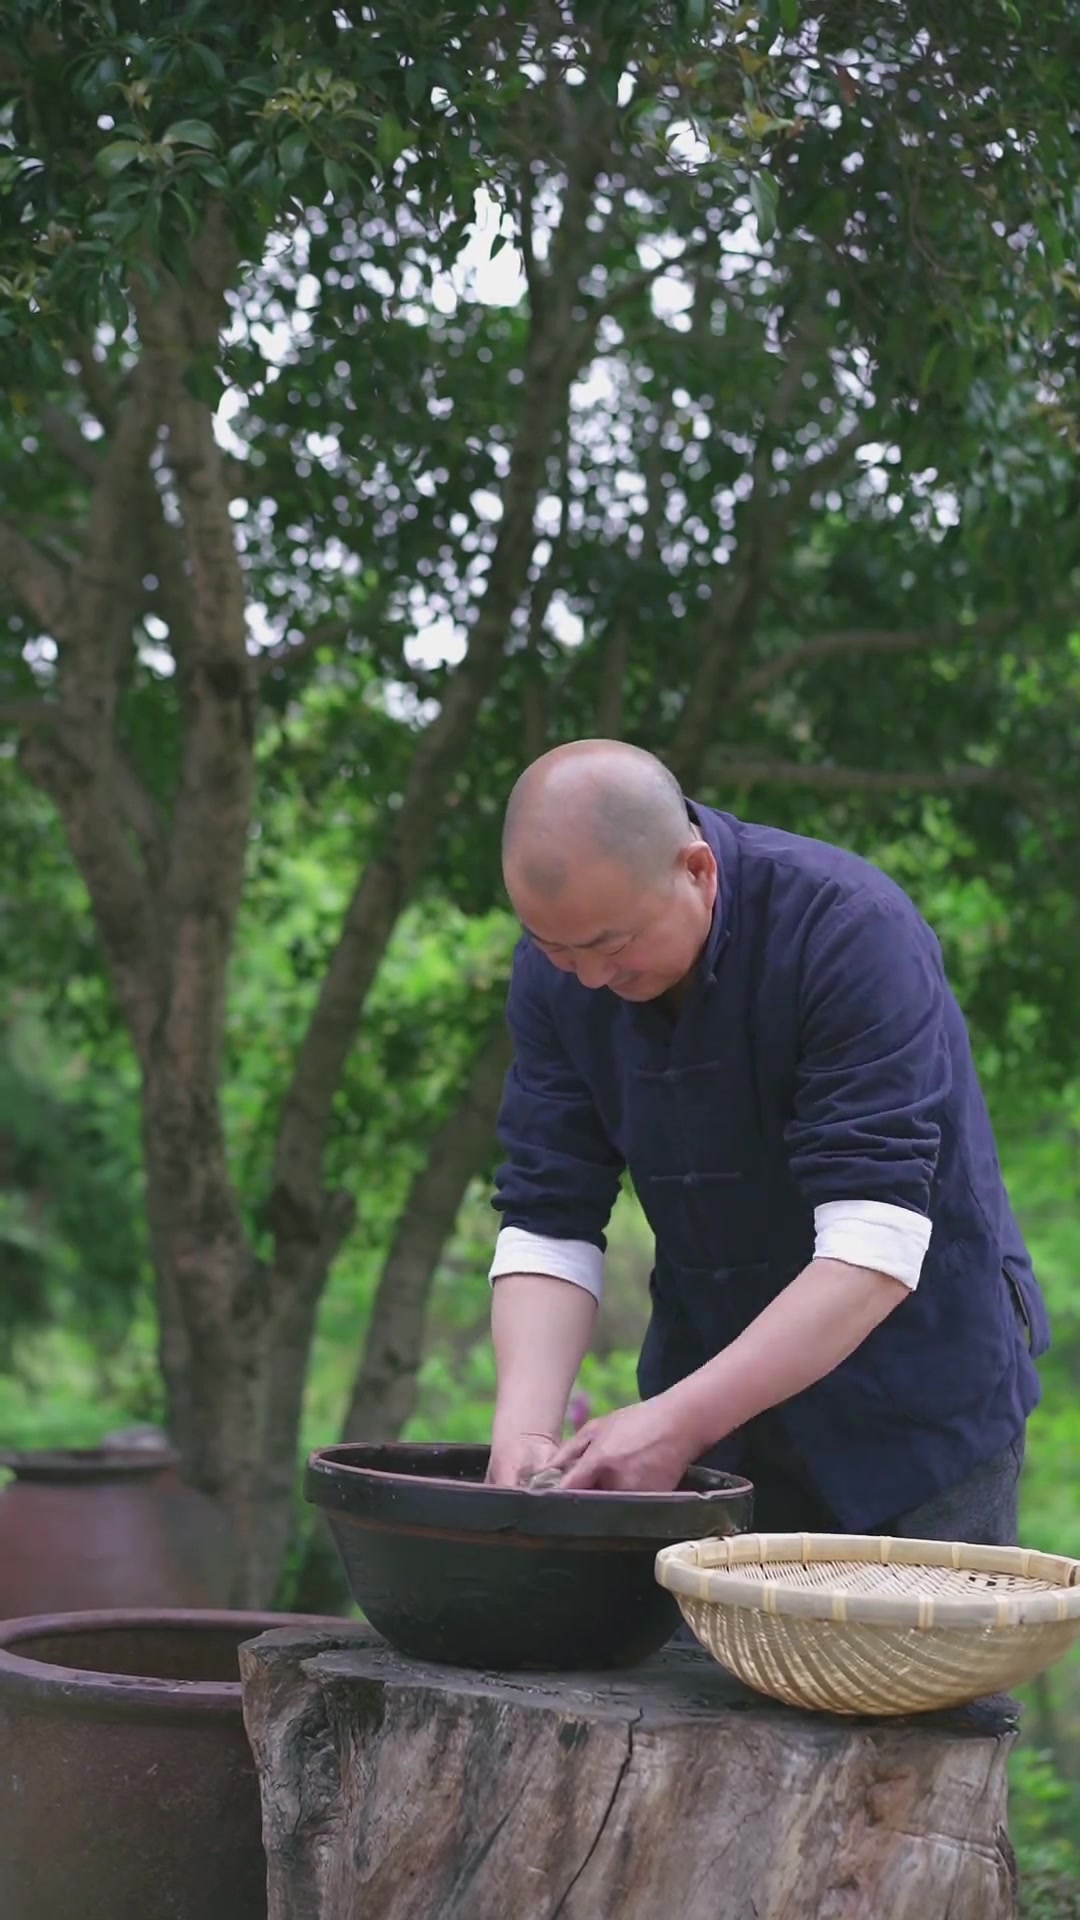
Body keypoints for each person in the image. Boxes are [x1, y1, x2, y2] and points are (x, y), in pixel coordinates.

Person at [485, 739, 1048, 1546]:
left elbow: (875, 1243)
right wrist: (525, 1434)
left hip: (919, 1414)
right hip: (718, 1431)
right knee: (683, 1675)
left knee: (913, 1671)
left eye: (613, 946)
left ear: (698, 871)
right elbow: (547, 1215)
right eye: (555, 950)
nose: (590, 980)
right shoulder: (560, 974)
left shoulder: (851, 933)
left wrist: (674, 1423)